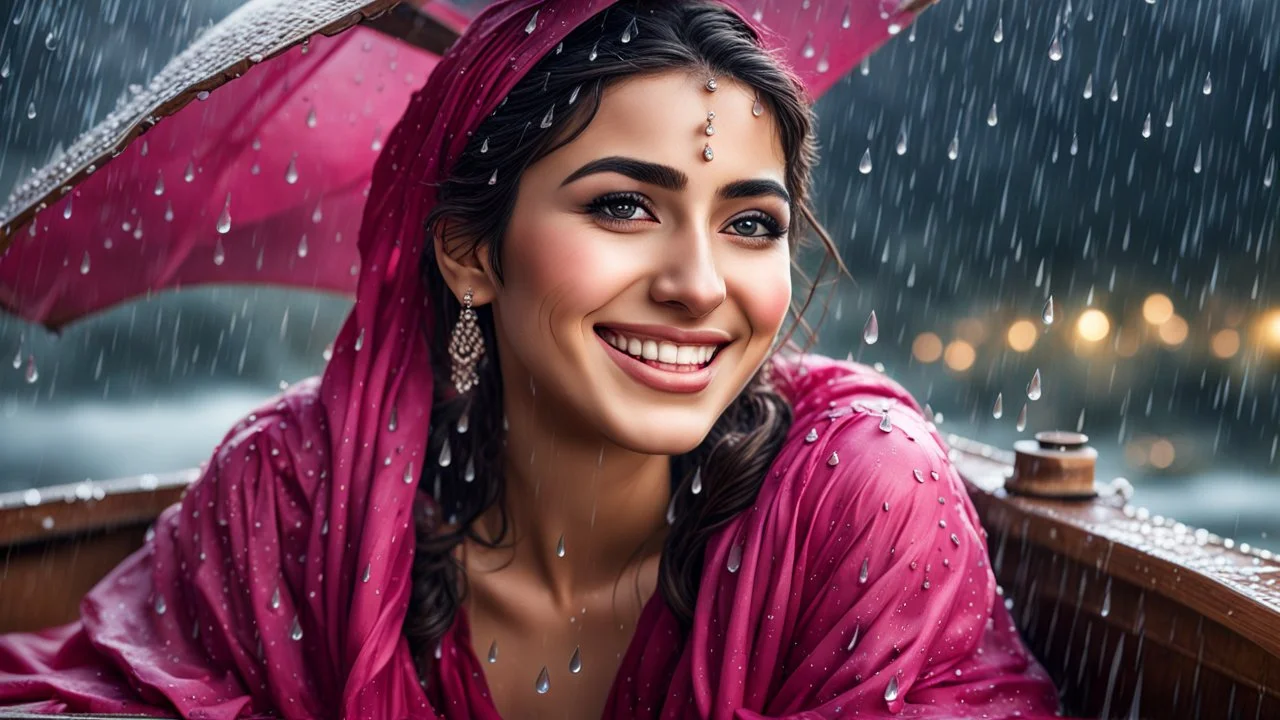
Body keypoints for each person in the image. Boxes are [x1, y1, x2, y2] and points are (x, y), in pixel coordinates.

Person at [0, 1, 1062, 718]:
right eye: (621, 205)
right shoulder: (294, 501)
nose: (698, 283)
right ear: (469, 253)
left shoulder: (857, 496)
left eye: (749, 224)